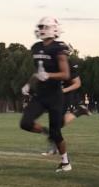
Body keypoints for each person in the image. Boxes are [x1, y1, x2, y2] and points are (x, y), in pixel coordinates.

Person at [20, 17, 72, 172]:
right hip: (40, 94)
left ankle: (65, 161)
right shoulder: (36, 47)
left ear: (52, 28)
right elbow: (38, 71)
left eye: (43, 26)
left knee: (57, 132)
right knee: (25, 123)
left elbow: (65, 74)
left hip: (55, 95)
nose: (41, 29)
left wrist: (49, 75)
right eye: (40, 26)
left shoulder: (58, 48)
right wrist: (29, 83)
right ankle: (46, 132)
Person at [42, 62, 90, 156]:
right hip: (55, 95)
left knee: (55, 124)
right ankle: (79, 112)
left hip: (65, 96)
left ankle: (53, 148)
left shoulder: (68, 65)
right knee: (57, 123)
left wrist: (63, 90)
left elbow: (77, 84)